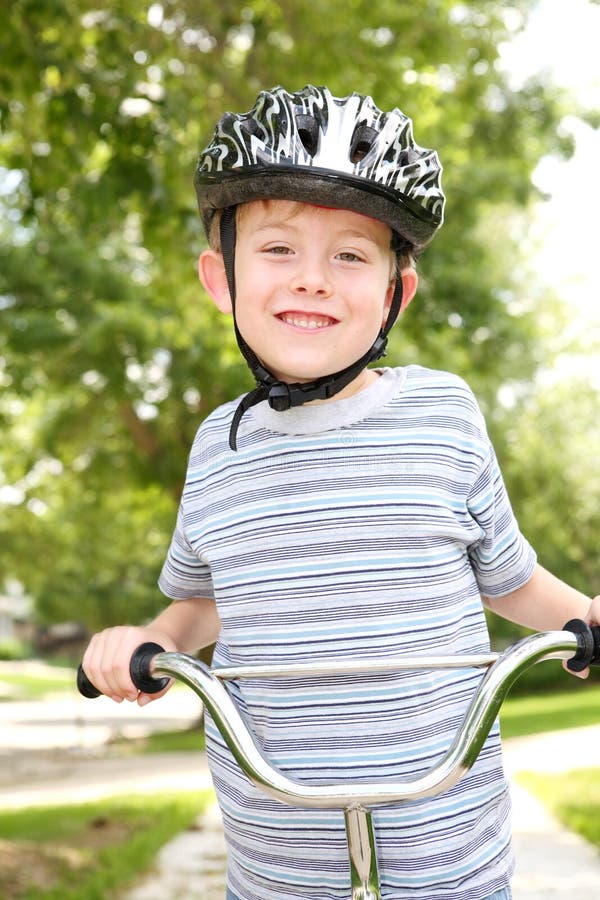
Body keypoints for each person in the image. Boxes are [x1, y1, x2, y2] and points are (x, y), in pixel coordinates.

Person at [82, 85, 599, 900]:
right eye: (279, 249)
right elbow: (201, 604)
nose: (314, 280)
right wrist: (141, 644)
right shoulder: (220, 444)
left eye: (352, 255)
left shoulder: (443, 413)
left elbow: (509, 580)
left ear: (397, 291)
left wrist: (586, 618)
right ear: (221, 279)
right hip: (279, 845)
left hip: (446, 843)